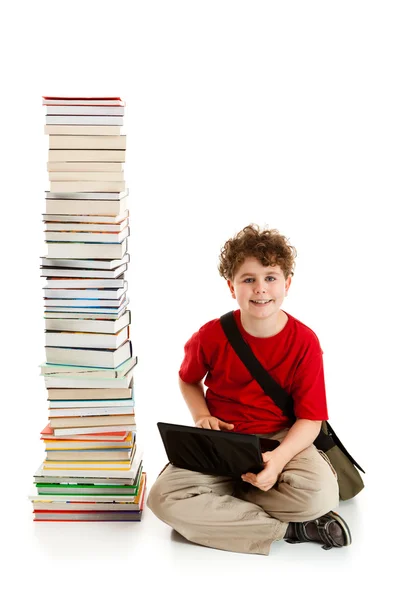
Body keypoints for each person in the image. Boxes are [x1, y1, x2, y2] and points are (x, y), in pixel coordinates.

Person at [147, 224, 351, 555]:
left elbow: (310, 420)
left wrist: (280, 459)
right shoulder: (211, 335)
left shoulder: (305, 342)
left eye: (270, 277)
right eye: (248, 279)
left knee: (320, 496)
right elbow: (187, 378)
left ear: (287, 283)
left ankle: (225, 504)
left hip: (281, 439)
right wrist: (201, 416)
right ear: (232, 287)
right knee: (161, 499)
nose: (260, 289)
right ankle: (291, 529)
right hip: (220, 442)